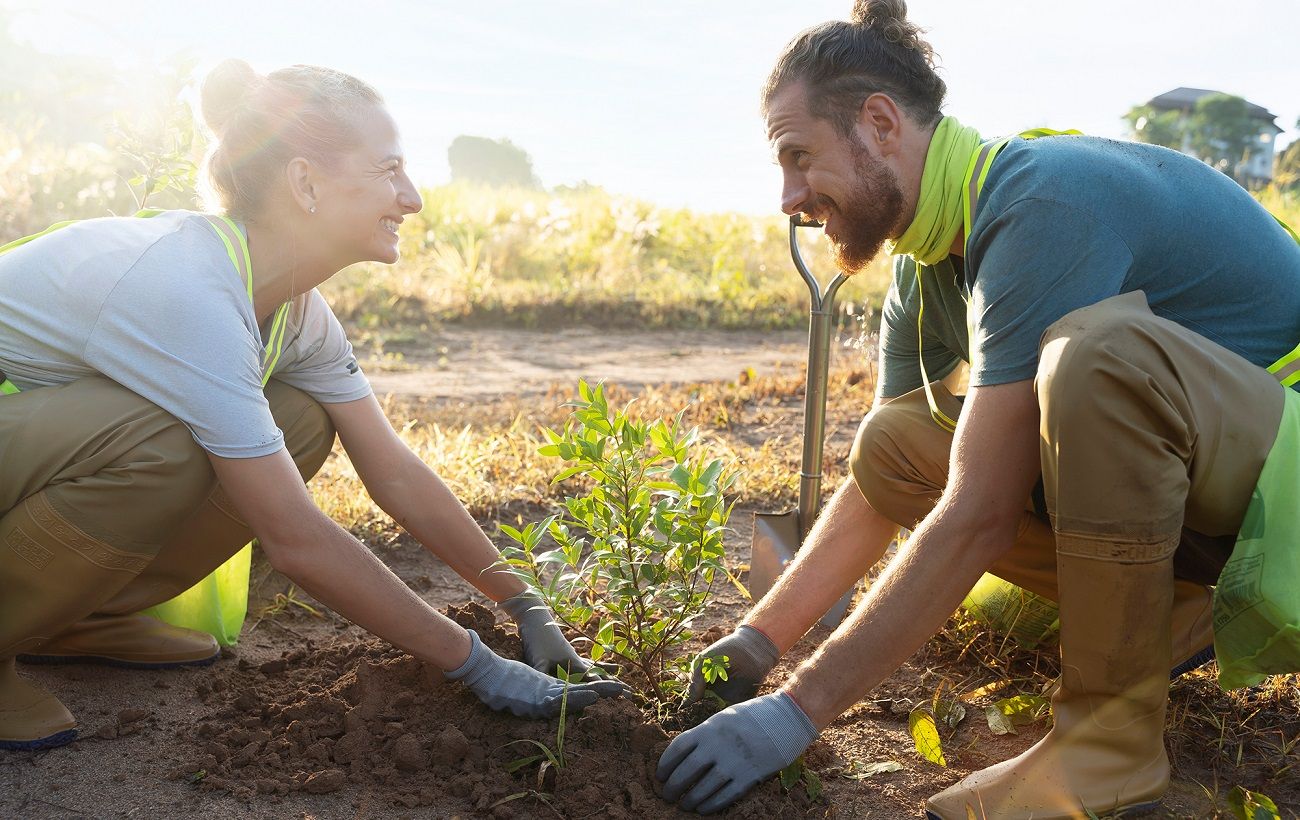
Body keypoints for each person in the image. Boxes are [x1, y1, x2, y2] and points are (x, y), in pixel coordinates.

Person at [656, 1, 1300, 817]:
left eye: (798, 157)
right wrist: (756, 641)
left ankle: (1109, 750)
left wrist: (798, 710)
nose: (789, 196)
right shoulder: (932, 267)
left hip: (1290, 508)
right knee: (895, 440)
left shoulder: (1043, 203)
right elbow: (888, 482)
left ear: (880, 123)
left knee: (1097, 358)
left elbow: (981, 511)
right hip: (1218, 506)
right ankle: (1177, 612)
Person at [0, 59, 625, 752]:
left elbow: (392, 473)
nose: (411, 197)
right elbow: (295, 538)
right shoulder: (188, 291)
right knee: (166, 440)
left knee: (298, 417)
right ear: (305, 183)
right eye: (389, 170)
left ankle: (75, 616)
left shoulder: (293, 309)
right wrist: (474, 663)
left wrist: (524, 603)